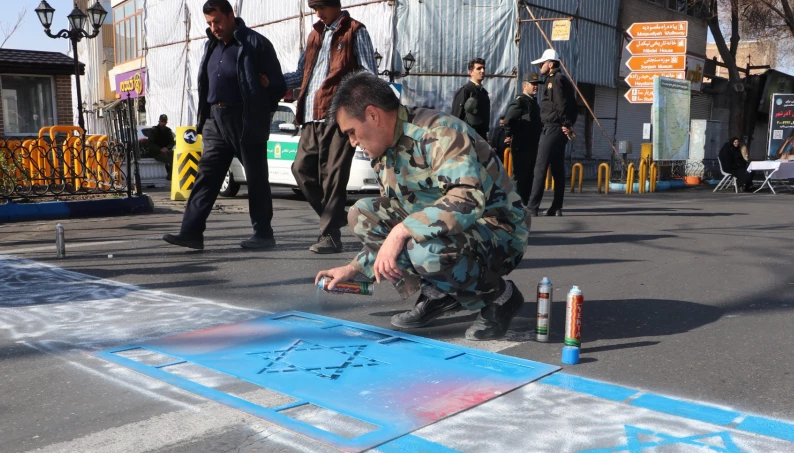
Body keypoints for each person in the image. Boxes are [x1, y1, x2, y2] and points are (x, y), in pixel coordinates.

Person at [316, 72, 529, 341]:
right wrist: (353, 269)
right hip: (457, 232)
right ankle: (439, 292)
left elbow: (466, 200)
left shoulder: (438, 132)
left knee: (423, 248)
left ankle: (500, 296)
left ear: (372, 115)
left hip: (499, 230)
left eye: (351, 133)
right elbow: (395, 221)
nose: (353, 142)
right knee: (362, 215)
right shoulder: (386, 152)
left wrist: (402, 230)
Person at [163, 0, 285, 251]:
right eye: (209, 23)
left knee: (256, 178)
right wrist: (205, 118)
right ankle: (191, 233)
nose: (214, 27)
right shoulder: (211, 46)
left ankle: (263, 234)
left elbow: (278, 86)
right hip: (214, 119)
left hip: (245, 118)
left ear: (231, 15)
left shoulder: (255, 43)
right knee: (206, 176)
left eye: (217, 21)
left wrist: (263, 97)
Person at [284, 0, 377, 254]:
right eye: (314, 9)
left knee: (333, 177)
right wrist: (273, 80)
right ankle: (336, 217)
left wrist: (355, 109)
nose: (318, 13)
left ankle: (330, 236)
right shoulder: (315, 34)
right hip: (310, 116)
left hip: (339, 117)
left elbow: (369, 75)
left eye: (321, 7)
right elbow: (301, 74)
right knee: (301, 169)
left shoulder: (355, 31)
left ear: (335, 4)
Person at [526, 48, 577, 217]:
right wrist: (568, 124)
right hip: (558, 127)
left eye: (542, 63)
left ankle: (532, 207)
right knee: (557, 168)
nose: (540, 66)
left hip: (553, 127)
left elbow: (561, 104)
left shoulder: (554, 80)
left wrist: (565, 123)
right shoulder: (562, 80)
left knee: (540, 168)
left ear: (550, 64)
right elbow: (573, 106)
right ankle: (556, 206)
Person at [504, 71, 542, 206]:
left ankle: (524, 203)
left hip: (532, 145)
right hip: (521, 145)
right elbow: (508, 119)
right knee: (519, 176)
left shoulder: (533, 103)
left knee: (529, 177)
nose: (536, 86)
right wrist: (509, 134)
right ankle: (514, 203)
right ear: (525, 86)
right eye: (533, 84)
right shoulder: (521, 102)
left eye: (537, 84)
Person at [451, 58, 490, 140]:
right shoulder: (465, 91)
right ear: (471, 72)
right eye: (479, 68)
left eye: (483, 68)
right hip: (467, 137)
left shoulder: (483, 92)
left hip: (481, 137)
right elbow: (456, 117)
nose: (482, 71)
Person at [146, 114, 175, 180]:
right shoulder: (154, 130)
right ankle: (170, 174)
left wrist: (167, 148)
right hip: (156, 152)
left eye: (164, 122)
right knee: (167, 158)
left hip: (166, 150)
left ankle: (173, 173)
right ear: (159, 121)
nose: (163, 123)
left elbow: (172, 142)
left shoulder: (168, 131)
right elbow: (150, 144)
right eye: (162, 121)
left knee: (174, 155)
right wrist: (160, 149)